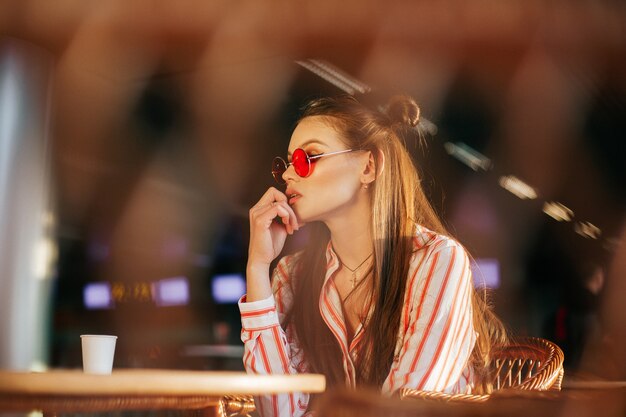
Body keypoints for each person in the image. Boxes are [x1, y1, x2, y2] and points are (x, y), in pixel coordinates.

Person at [239, 94, 507, 417]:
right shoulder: (291, 273)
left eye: (308, 157)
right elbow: (277, 410)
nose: (287, 175)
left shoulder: (436, 261)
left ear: (368, 166)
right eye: (287, 162)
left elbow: (404, 408)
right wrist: (257, 267)